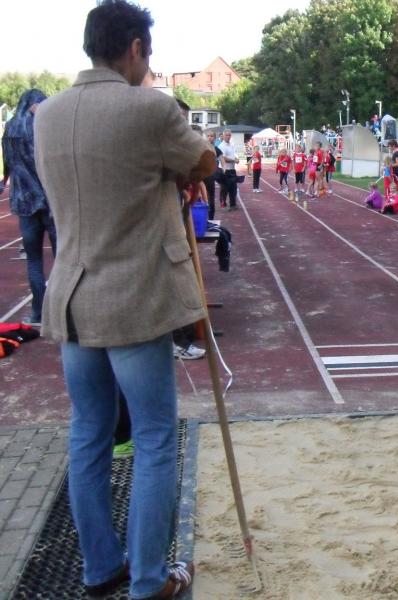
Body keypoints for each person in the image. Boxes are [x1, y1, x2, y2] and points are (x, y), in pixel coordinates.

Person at [32, 1, 216, 597]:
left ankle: (100, 568)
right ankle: (148, 580)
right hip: (133, 300)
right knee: (157, 437)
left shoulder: (46, 115)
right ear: (135, 48)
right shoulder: (150, 108)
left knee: (88, 435)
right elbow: (204, 161)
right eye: (148, 54)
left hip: (72, 299)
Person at [1, 89, 55, 326]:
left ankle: (38, 313)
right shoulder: (44, 126)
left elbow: (7, 164)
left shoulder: (10, 129)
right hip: (50, 201)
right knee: (62, 260)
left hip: (24, 202)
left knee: (33, 261)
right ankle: (64, 314)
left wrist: (5, 181)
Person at [202, 130, 222, 219]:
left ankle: (211, 218)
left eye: (211, 136)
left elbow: (222, 160)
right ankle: (203, 217)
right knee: (201, 197)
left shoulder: (216, 148)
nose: (209, 138)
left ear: (215, 138)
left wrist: (223, 169)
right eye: (208, 136)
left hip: (210, 176)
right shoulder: (201, 147)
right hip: (201, 176)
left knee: (210, 197)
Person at [218, 129, 239, 210]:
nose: (228, 136)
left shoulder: (232, 144)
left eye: (229, 135)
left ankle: (233, 204)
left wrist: (236, 158)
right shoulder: (221, 146)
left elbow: (234, 154)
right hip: (224, 169)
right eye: (226, 135)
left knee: (233, 187)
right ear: (223, 136)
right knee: (224, 188)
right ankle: (223, 204)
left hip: (232, 169)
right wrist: (234, 160)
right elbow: (223, 158)